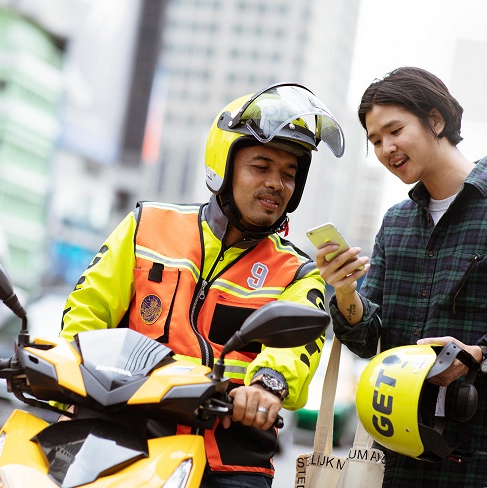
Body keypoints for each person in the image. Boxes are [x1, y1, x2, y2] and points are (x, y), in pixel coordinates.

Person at [315, 66, 487, 487]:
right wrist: (345, 291)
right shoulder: (396, 223)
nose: (387, 148)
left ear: (436, 120)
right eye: (375, 141)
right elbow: (371, 341)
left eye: (394, 130)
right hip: (400, 462)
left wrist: (477, 357)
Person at [59, 83, 345, 487]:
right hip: (126, 439)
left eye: (288, 174)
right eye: (261, 167)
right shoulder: (147, 227)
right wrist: (69, 388)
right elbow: (86, 311)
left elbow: (293, 349)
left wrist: (267, 387)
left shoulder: (299, 272)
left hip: (227, 462)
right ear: (224, 167)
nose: (277, 184)